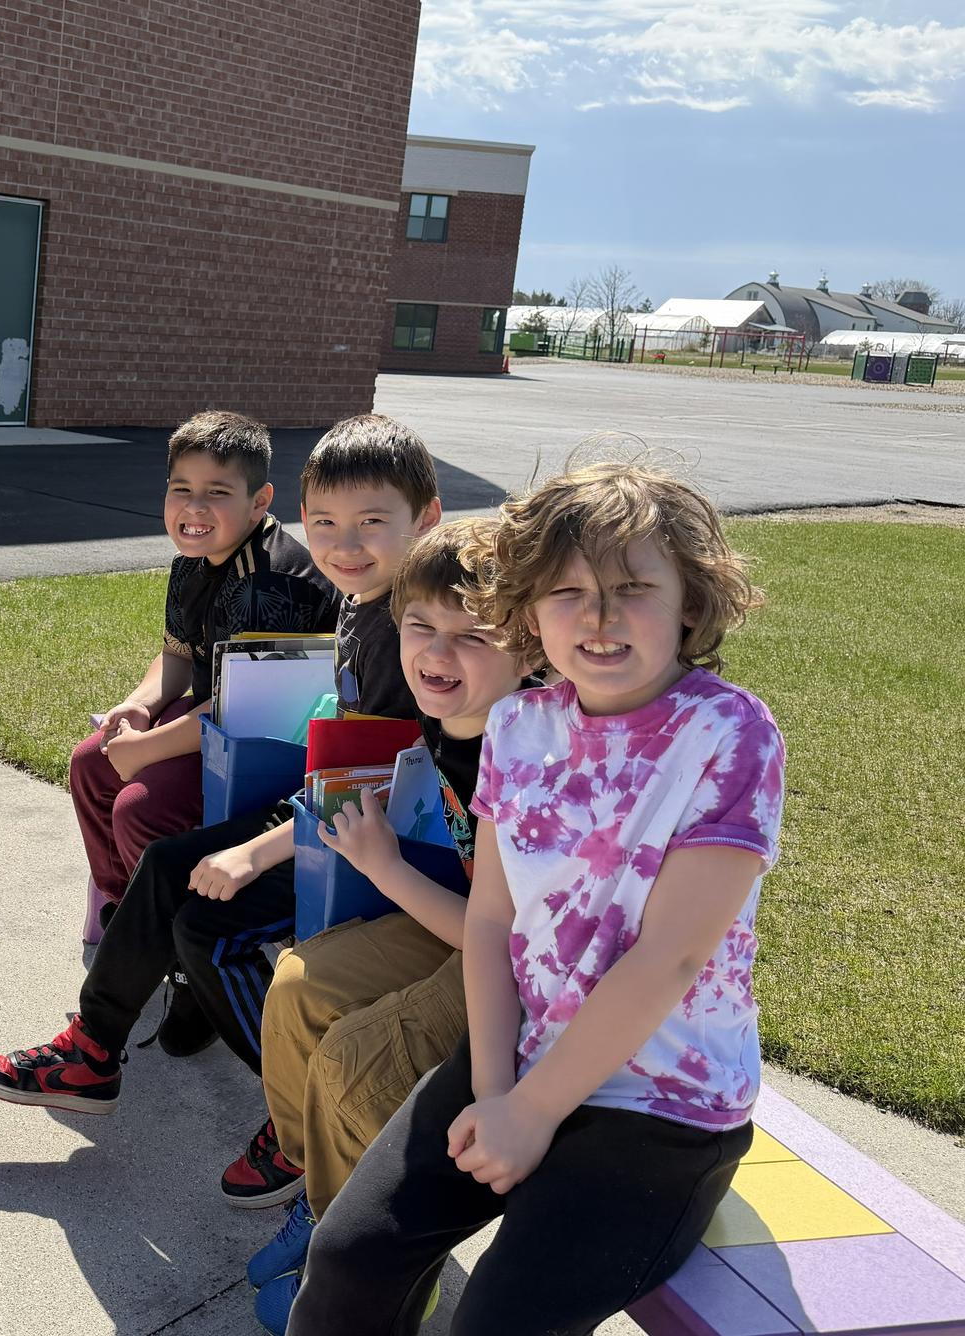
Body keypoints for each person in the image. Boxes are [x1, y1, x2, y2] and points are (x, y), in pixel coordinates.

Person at [288, 461, 785, 1336]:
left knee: (496, 1323)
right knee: (348, 1259)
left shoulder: (728, 733)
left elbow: (667, 958)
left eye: (633, 587)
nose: (598, 618)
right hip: (518, 1060)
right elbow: (492, 919)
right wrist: (492, 1090)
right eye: (566, 592)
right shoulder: (520, 724)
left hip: (663, 1105)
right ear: (526, 610)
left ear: (692, 605)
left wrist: (532, 1110)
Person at [0, 416, 441, 1211]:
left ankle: (306, 1117)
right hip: (337, 810)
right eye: (324, 523)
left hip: (392, 845)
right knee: (166, 870)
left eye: (369, 523)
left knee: (205, 926)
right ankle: (91, 1051)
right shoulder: (366, 601)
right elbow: (344, 747)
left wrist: (258, 852)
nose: (342, 545)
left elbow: (395, 780)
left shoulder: (413, 624)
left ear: (424, 518)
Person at [246, 518, 539, 1333]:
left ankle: (386, 1263)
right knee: (299, 985)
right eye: (420, 626)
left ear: (531, 646)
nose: (436, 655)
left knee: (355, 1059)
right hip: (470, 918)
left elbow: (503, 937)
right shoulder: (454, 722)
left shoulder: (525, 746)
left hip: (524, 963)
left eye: (472, 634)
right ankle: (324, 1204)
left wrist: (384, 868)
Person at [71, 410, 335, 919]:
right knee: (91, 762)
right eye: (180, 489)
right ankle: (125, 904)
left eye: (217, 492)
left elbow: (246, 710)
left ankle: (168, 935)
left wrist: (146, 750)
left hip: (272, 744)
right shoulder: (192, 561)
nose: (194, 507)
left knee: (141, 807)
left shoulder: (272, 582)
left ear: (259, 502)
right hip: (214, 718)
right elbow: (177, 652)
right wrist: (139, 708)